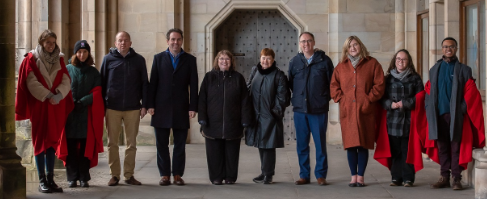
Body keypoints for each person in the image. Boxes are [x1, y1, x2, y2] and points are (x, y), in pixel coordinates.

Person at [15, 29, 73, 193]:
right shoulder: (31, 59)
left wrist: (59, 95)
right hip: (40, 104)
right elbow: (30, 81)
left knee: (52, 141)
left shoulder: (60, 59)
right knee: (40, 140)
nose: (50, 45)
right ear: (41, 43)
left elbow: (66, 79)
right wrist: (48, 95)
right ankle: (42, 180)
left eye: (53, 42)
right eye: (47, 42)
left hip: (55, 104)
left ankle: (50, 179)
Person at [330, 35, 385, 187]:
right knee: (350, 144)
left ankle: (360, 176)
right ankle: (353, 176)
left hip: (365, 111)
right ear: (346, 49)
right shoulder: (341, 66)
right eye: (349, 46)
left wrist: (368, 99)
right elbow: (334, 86)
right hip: (348, 111)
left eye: (355, 45)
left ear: (360, 46)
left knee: (362, 144)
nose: (352, 48)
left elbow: (379, 84)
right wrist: (342, 99)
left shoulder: (372, 63)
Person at [147, 28, 198, 186]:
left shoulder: (190, 59)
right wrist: (150, 105)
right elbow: (152, 83)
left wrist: (193, 107)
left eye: (178, 39)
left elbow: (194, 85)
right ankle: (164, 175)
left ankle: (177, 174)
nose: (175, 42)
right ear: (167, 41)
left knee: (180, 144)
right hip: (160, 108)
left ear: (182, 41)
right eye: (172, 39)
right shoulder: (158, 58)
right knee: (161, 144)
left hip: (181, 107)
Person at [101, 31, 148, 186]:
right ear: (115, 43)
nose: (123, 43)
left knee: (131, 144)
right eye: (120, 40)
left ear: (130, 43)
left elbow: (144, 84)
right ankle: (114, 175)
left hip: (133, 107)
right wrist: (102, 106)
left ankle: (129, 175)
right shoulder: (108, 60)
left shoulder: (139, 60)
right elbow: (102, 83)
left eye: (126, 40)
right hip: (112, 107)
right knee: (112, 143)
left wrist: (144, 105)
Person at [198, 50, 252, 185]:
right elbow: (202, 99)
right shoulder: (209, 77)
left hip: (233, 123)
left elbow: (245, 100)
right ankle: (216, 177)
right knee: (214, 153)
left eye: (227, 59)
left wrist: (245, 120)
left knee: (231, 153)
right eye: (221, 59)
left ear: (231, 62)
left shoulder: (238, 78)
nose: (224, 61)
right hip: (212, 123)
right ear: (217, 60)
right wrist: (202, 117)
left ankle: (230, 177)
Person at [426, 37, 473, 190]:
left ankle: (456, 179)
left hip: (455, 116)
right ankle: (444, 177)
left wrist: (461, 109)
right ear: (442, 49)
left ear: (456, 49)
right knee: (442, 147)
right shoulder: (434, 69)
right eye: (445, 46)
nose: (448, 49)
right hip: (438, 115)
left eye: (451, 46)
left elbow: (470, 93)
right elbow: (429, 91)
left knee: (455, 147)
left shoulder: (464, 70)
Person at [288, 32, 334, 186]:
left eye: (308, 41)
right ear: (299, 43)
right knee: (302, 144)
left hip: (318, 109)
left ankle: (321, 175)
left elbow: (332, 84)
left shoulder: (325, 61)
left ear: (313, 42)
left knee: (320, 143)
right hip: (300, 110)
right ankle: (304, 175)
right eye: (303, 41)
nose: (305, 44)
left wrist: (323, 99)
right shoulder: (295, 62)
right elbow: (290, 83)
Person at [245, 48, 290, 184]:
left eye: (268, 58)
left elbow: (283, 97)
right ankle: (264, 172)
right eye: (263, 58)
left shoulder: (279, 75)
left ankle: (268, 175)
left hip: (269, 116)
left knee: (269, 145)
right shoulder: (255, 71)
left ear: (273, 60)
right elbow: (248, 88)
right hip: (256, 115)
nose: (265, 61)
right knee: (260, 144)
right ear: (260, 59)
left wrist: (274, 112)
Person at [380, 49, 423, 187]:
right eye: (398, 59)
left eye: (403, 59)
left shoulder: (415, 78)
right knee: (395, 151)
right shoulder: (388, 79)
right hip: (392, 120)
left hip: (409, 120)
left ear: (408, 61)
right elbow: (381, 98)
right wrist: (390, 104)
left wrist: (404, 103)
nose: (401, 62)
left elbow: (420, 98)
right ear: (394, 61)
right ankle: (396, 177)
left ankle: (408, 178)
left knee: (407, 150)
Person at [64, 40, 105, 188]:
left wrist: (83, 102)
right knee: (70, 147)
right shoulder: (67, 69)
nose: (82, 54)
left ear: (88, 53)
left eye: (85, 52)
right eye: (79, 52)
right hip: (70, 113)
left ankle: (84, 177)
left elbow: (98, 90)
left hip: (86, 113)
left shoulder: (93, 72)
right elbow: (63, 87)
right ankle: (71, 177)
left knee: (85, 147)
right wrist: (73, 101)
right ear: (75, 53)